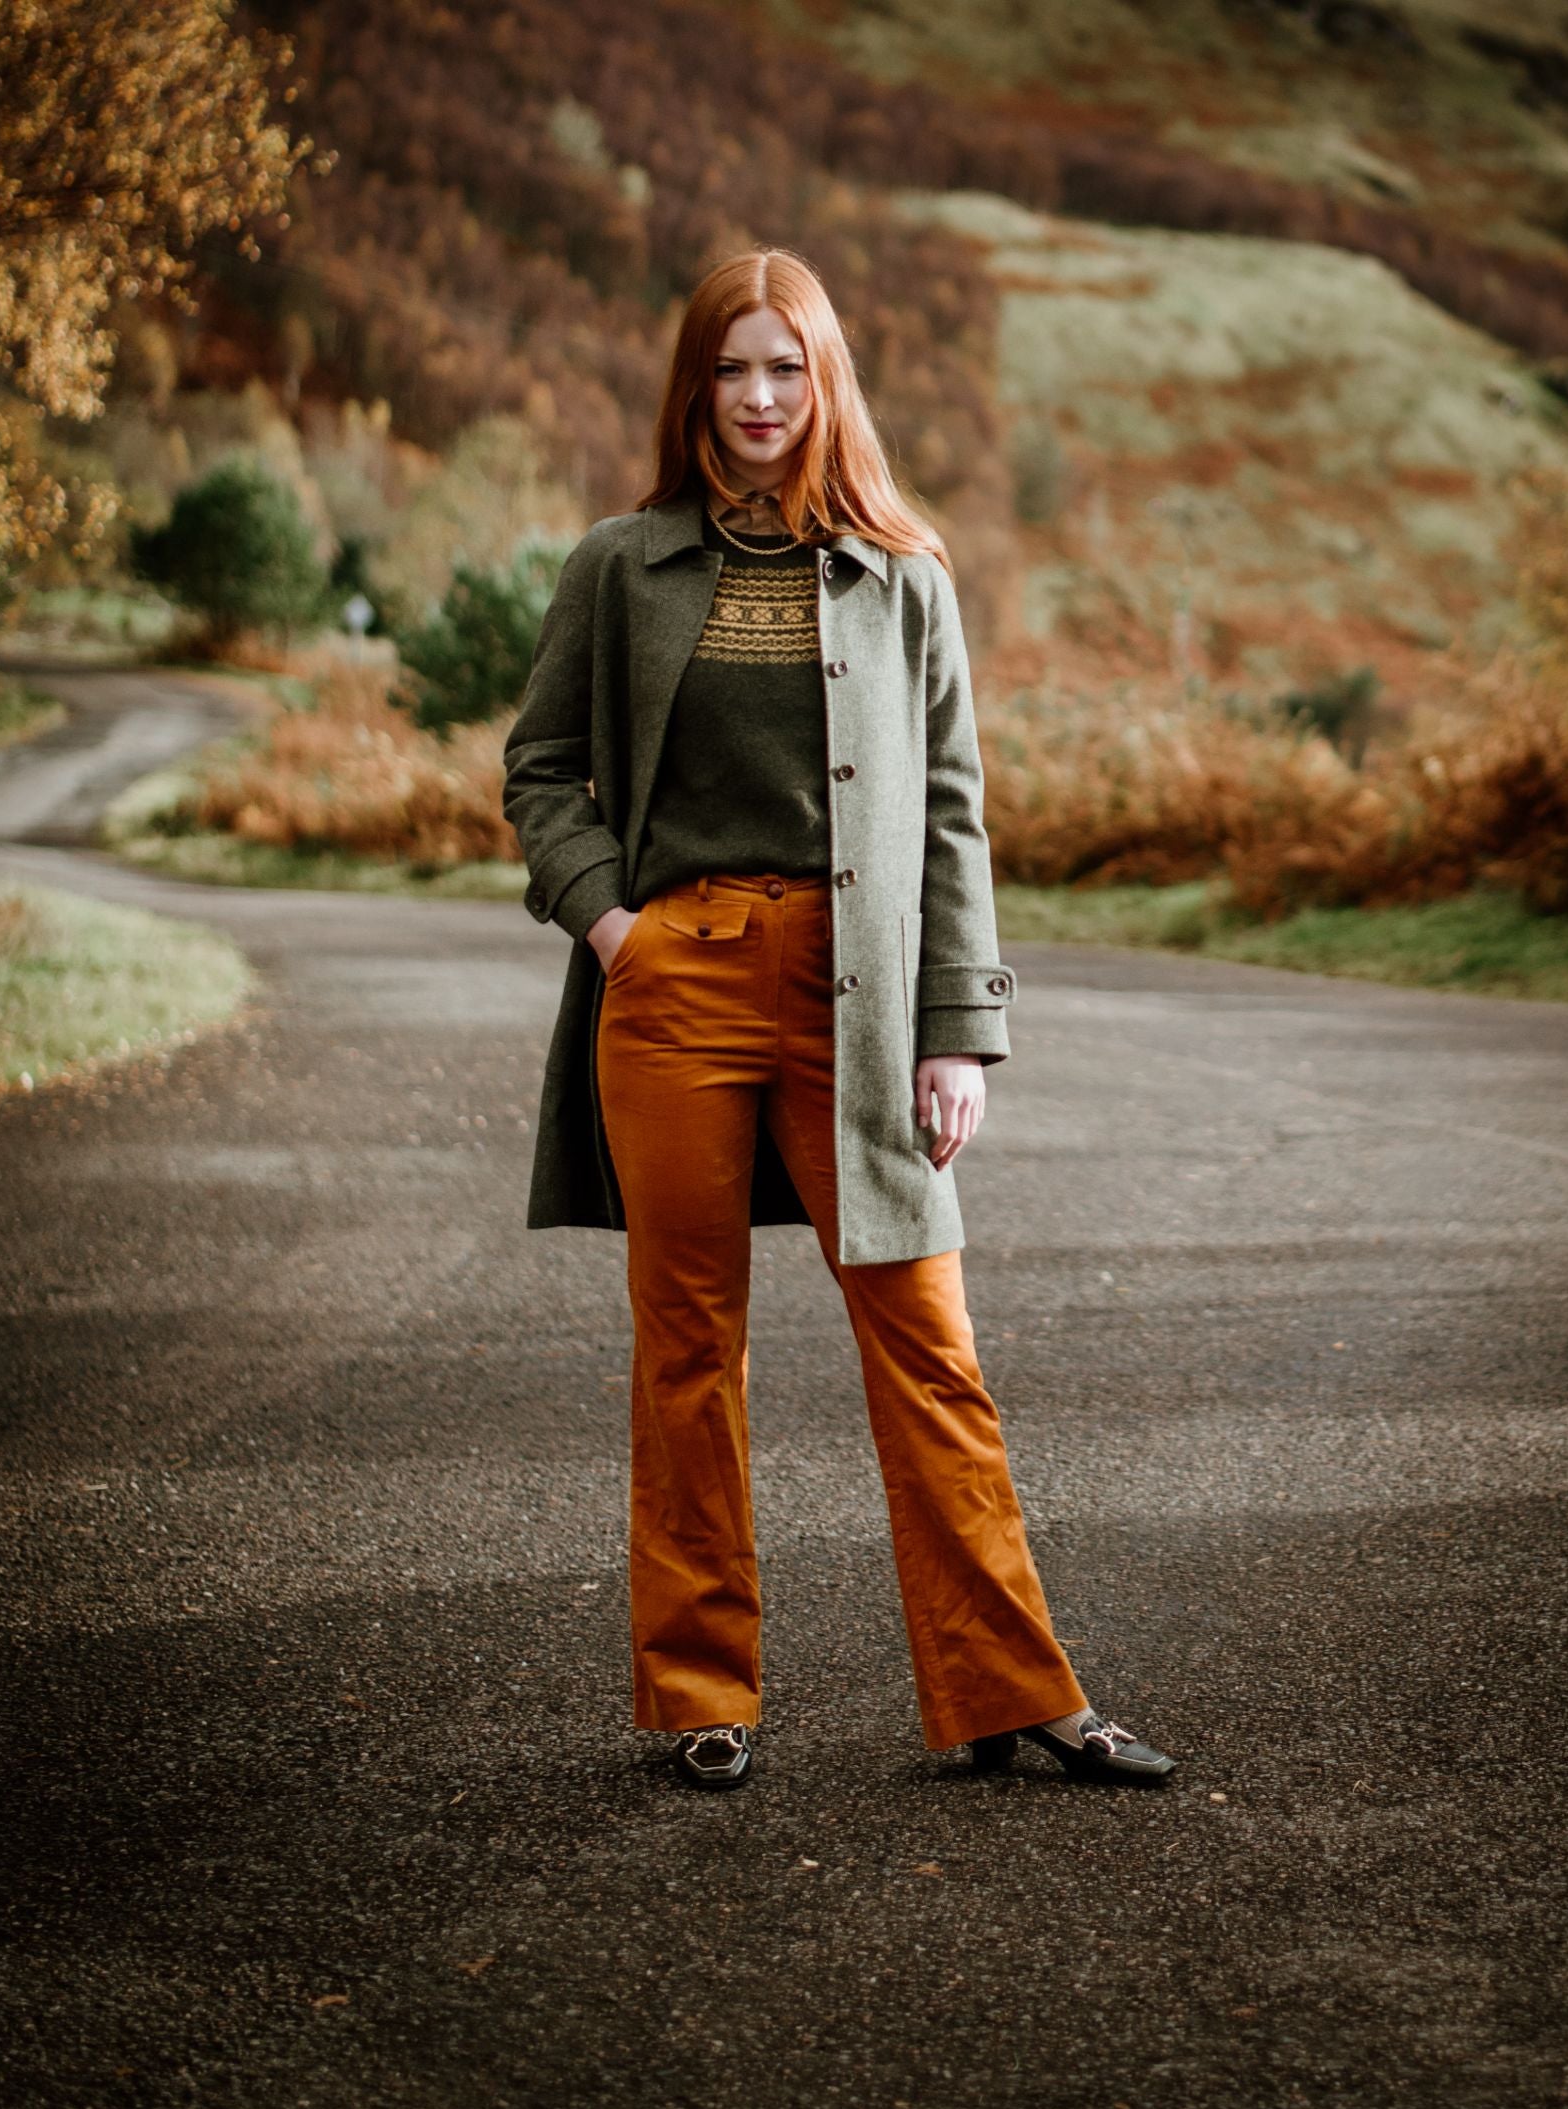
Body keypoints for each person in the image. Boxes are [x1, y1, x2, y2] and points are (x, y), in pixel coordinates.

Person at [500, 246, 1174, 1793]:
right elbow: (540, 769)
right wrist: (613, 923)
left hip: (861, 994)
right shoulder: (617, 563)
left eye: (784, 369)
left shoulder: (904, 573)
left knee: (927, 1335)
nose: (756, 398)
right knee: (688, 1344)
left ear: (827, 384)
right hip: (672, 987)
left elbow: (951, 815)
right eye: (732, 369)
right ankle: (697, 1692)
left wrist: (961, 1027)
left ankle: (1015, 1688)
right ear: (695, 386)